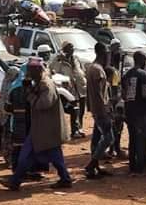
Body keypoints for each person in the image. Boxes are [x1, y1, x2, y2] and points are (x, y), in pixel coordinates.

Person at [7, 58, 72, 190]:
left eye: (30, 71)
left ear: (37, 70)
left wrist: (30, 93)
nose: (28, 74)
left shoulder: (45, 84)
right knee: (53, 156)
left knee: (28, 154)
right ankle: (65, 179)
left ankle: (15, 181)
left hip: (46, 128)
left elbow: (43, 104)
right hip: (43, 128)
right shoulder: (39, 83)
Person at [84, 43, 114, 179]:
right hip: (101, 109)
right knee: (109, 137)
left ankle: (94, 167)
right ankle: (92, 163)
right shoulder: (97, 70)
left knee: (97, 138)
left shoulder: (93, 68)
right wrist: (103, 109)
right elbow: (98, 93)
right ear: (103, 53)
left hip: (97, 108)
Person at [122, 51, 146, 175]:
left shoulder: (127, 74)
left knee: (132, 138)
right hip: (140, 111)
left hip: (129, 110)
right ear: (142, 60)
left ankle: (132, 165)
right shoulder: (143, 74)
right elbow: (145, 93)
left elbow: (124, 94)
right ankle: (140, 167)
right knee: (141, 139)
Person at [49, 42, 87, 138]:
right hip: (68, 91)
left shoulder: (76, 59)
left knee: (81, 110)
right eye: (69, 48)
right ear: (64, 50)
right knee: (73, 109)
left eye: (72, 48)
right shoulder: (58, 61)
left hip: (80, 88)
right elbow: (53, 72)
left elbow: (82, 71)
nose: (71, 50)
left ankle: (79, 128)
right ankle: (74, 130)